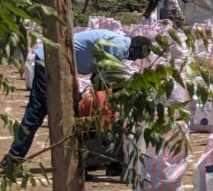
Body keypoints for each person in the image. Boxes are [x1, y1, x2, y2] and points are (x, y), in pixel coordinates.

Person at [3, 30, 152, 169]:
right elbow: (103, 88)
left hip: (59, 64)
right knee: (38, 111)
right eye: (137, 56)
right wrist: (103, 121)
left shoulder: (117, 42)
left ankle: (82, 160)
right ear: (136, 48)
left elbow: (98, 80)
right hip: (50, 62)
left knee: (72, 111)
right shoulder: (118, 48)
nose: (134, 59)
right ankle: (14, 157)